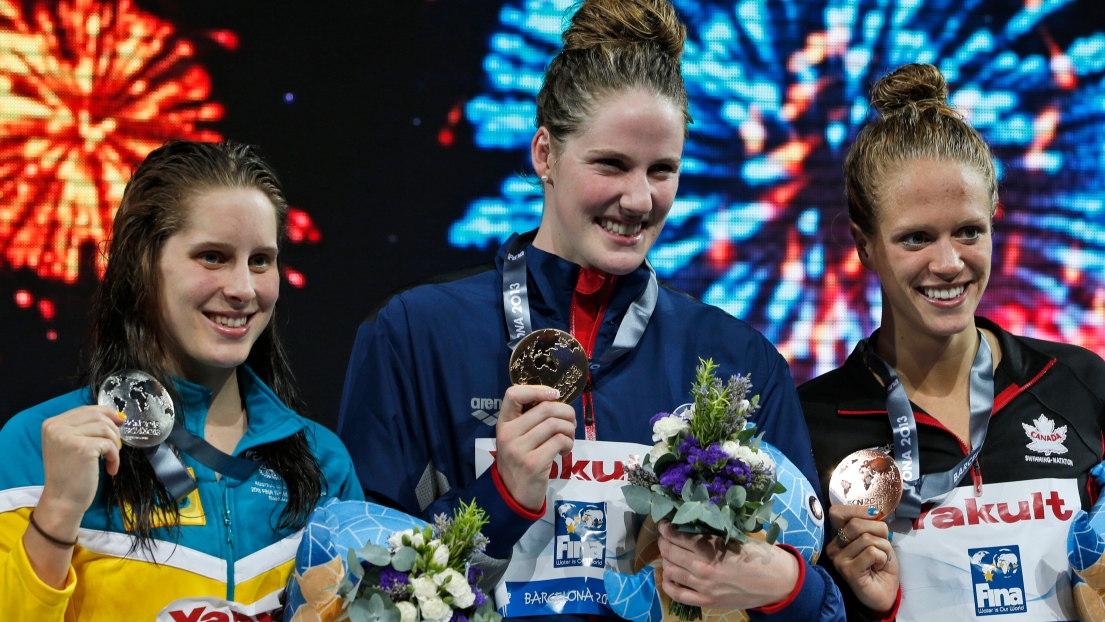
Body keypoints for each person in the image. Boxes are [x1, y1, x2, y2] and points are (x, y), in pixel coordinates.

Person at [338, 1, 842, 619]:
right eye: (611, 165)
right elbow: (357, 593)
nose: (638, 199)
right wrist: (500, 498)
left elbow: (824, 606)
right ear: (545, 154)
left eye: (663, 170)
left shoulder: (738, 360)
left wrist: (785, 587)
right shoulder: (416, 334)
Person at [0, 140, 363, 621]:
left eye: (261, 260)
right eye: (212, 257)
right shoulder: (37, 446)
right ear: (141, 266)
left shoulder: (321, 461)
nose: (242, 289)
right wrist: (60, 510)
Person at [799, 63, 1104, 621]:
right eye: (916, 238)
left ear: (994, 219)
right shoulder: (812, 425)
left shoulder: (1081, 383)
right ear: (863, 245)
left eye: (969, 231)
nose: (948, 263)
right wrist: (870, 607)